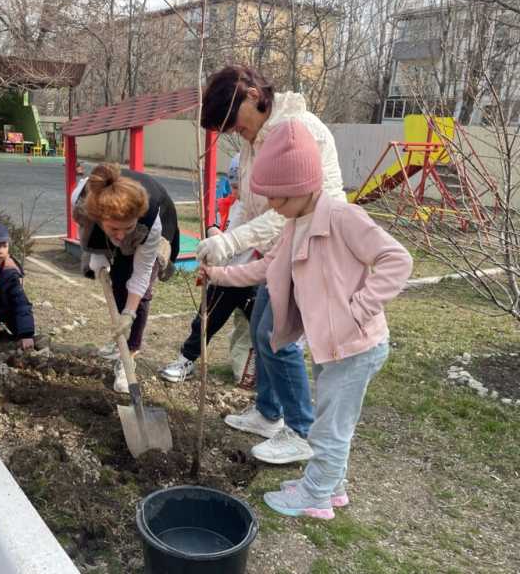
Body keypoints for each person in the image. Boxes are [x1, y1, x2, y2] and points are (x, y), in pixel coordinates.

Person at [201, 120, 412, 519]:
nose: (273, 207)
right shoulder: (296, 223)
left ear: (302, 187)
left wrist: (359, 310)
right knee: (336, 423)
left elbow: (397, 260)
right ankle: (332, 487)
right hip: (331, 345)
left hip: (356, 346)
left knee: (329, 428)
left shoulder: (342, 217)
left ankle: (315, 495)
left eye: (278, 198)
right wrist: (218, 275)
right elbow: (265, 270)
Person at [198, 65, 347, 465]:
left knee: (276, 336)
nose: (232, 131)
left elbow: (286, 211)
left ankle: (300, 431)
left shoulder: (298, 131)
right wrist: (224, 245)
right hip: (281, 250)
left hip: (313, 246)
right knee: (263, 325)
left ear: (250, 94)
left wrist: (231, 242)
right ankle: (267, 413)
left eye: (232, 122)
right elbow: (250, 204)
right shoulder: (255, 140)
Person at [73, 163, 179, 393]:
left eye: (127, 228)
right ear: (100, 219)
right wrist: (96, 254)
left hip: (159, 217)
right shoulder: (83, 203)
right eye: (114, 229)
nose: (121, 236)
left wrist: (129, 313)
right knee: (119, 281)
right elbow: (87, 232)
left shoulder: (151, 223)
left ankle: (129, 353)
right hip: (108, 220)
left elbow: (141, 273)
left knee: (141, 293)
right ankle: (119, 343)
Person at [158, 154, 257, 385]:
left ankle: (262, 373)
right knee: (205, 321)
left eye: (239, 186)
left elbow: (245, 241)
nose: (235, 192)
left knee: (263, 329)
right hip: (226, 277)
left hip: (254, 278)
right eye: (232, 186)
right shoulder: (236, 206)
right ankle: (186, 359)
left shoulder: (263, 209)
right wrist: (214, 231)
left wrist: (219, 239)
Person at [0, 222, 36, 351]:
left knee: (18, 320)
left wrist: (26, 334)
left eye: (4, 245)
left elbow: (20, 303)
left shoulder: (10, 272)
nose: (0, 250)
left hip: (5, 310)